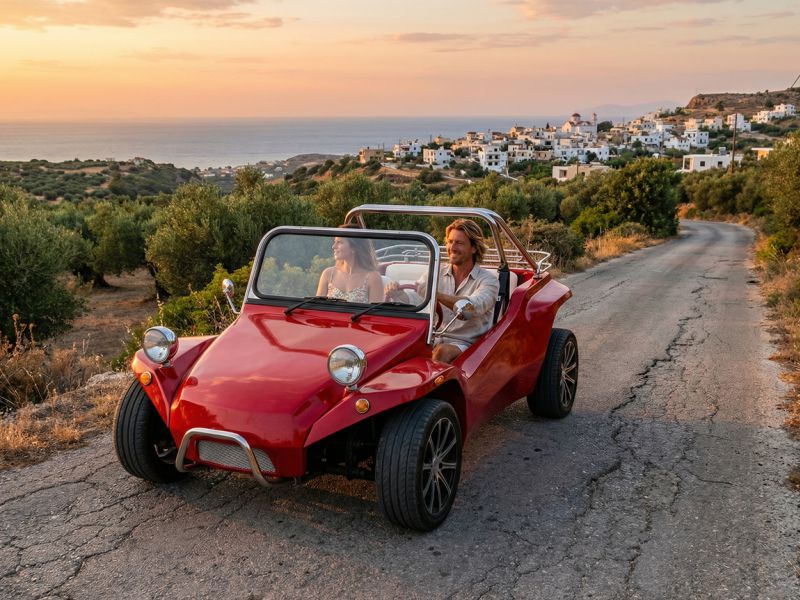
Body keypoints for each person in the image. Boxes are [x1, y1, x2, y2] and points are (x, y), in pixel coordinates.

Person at [387, 218, 499, 363]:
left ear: (474, 248)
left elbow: (471, 308)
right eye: (450, 241)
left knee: (442, 352)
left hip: (468, 345)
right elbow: (418, 297)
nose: (452, 247)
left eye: (459, 243)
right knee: (397, 344)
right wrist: (398, 294)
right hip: (432, 338)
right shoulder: (436, 271)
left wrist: (434, 294)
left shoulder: (489, 280)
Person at [316, 228, 383, 303]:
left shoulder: (373, 277)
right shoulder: (328, 274)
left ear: (354, 247)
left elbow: (375, 312)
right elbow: (316, 307)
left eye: (339, 242)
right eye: (335, 242)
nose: (333, 246)